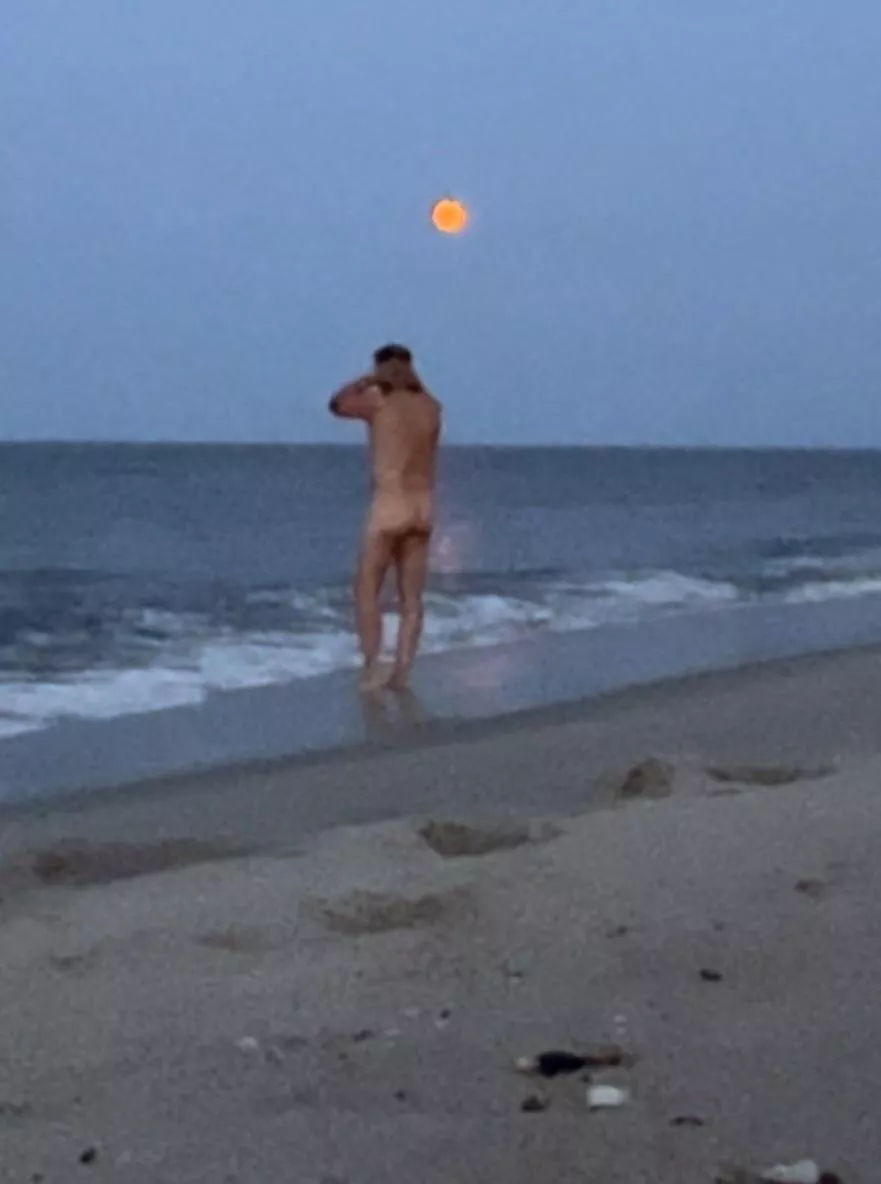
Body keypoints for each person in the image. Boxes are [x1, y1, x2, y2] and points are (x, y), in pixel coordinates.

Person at [329, 344, 442, 692]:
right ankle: (402, 669)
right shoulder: (432, 407)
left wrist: (364, 381)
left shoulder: (378, 400)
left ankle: (372, 665)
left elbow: (336, 404)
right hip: (422, 506)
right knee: (411, 598)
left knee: (366, 588)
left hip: (389, 504)